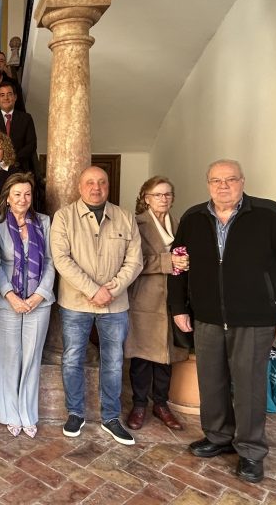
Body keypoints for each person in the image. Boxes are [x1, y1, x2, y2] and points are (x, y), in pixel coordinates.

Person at [168, 159, 276, 484]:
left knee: (248, 387)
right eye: (216, 181)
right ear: (208, 184)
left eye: (230, 179)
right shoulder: (192, 219)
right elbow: (178, 267)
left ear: (242, 181)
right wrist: (178, 306)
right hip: (207, 318)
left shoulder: (271, 216)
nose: (223, 186)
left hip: (255, 319)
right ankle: (218, 437)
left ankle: (250, 451)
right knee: (211, 381)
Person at [50, 166, 143, 445]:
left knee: (113, 362)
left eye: (101, 182)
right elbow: (61, 258)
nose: (96, 187)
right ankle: (75, 412)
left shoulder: (125, 217)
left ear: (108, 186)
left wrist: (111, 289)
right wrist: (93, 289)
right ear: (80, 187)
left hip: (114, 305)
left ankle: (111, 417)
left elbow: (135, 261)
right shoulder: (64, 217)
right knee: (72, 358)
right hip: (76, 303)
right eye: (90, 182)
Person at [0, 173, 55, 438]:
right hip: (7, 302)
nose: (22, 199)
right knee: (7, 358)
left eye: (27, 194)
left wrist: (39, 295)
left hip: (39, 303)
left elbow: (51, 261)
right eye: (17, 194)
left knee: (31, 357)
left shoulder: (44, 222)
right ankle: (8, 412)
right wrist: (10, 295)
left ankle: (28, 413)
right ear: (8, 196)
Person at [124, 177, 188, 432]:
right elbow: (132, 261)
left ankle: (161, 405)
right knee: (141, 356)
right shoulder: (136, 224)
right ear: (146, 197)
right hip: (145, 299)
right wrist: (167, 261)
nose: (164, 199)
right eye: (158, 194)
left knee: (166, 357)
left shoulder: (180, 224)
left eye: (168, 194)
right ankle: (139, 404)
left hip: (172, 299)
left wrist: (185, 263)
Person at [0, 82, 38, 174]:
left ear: (15, 97)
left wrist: (13, 159)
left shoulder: (26, 118)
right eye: (2, 95)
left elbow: (31, 144)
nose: (6, 98)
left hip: (20, 168)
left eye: (9, 94)